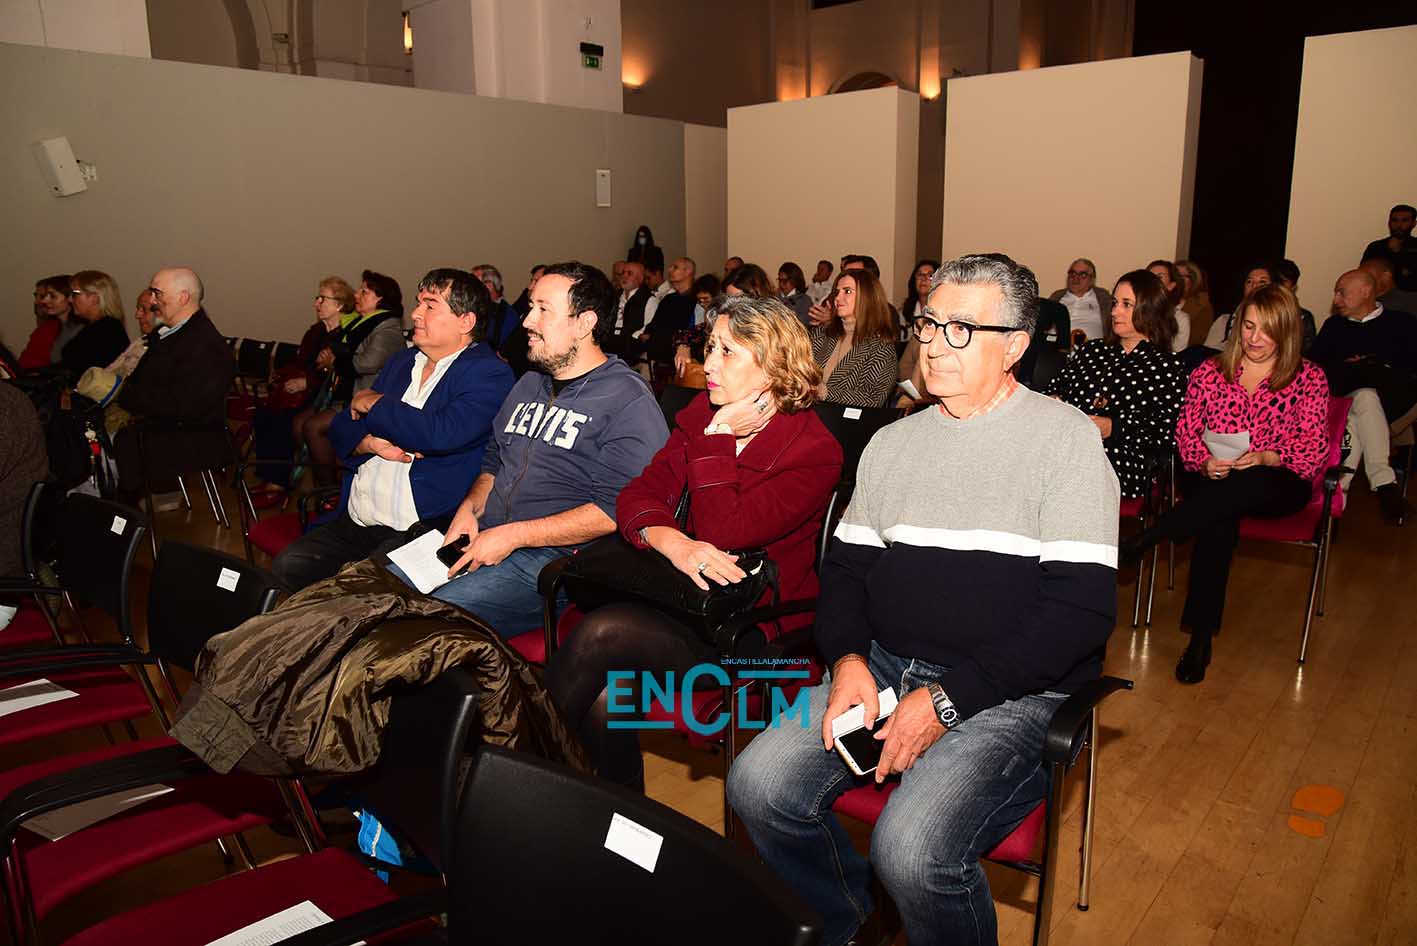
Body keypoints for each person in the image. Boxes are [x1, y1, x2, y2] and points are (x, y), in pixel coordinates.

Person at [728, 254, 1119, 946]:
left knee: (910, 850)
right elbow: (844, 573)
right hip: (884, 667)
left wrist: (946, 701)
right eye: (929, 323)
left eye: (960, 328)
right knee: (757, 786)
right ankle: (849, 921)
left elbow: (1079, 614)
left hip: (1013, 696)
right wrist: (848, 660)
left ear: (1016, 346)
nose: (934, 343)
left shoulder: (1065, 443)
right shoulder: (893, 441)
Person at [544, 295, 842, 790]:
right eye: (710, 347)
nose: (710, 364)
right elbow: (637, 496)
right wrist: (674, 544)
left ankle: (516, 773)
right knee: (602, 693)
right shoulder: (700, 412)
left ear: (772, 367)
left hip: (748, 626)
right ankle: (612, 812)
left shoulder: (812, 450)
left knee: (601, 636)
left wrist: (718, 436)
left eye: (727, 351)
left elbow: (726, 531)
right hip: (678, 596)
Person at [416, 262, 669, 635]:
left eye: (543, 310)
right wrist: (469, 509)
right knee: (378, 591)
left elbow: (617, 509)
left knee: (417, 619)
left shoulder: (627, 399)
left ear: (584, 323)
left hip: (558, 563)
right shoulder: (529, 383)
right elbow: (494, 462)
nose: (527, 321)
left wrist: (515, 535)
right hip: (487, 538)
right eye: (530, 307)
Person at [1124, 285, 1329, 683]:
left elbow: (1313, 447)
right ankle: (1200, 641)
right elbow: (1186, 433)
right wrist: (1205, 461)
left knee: (1238, 489)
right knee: (1219, 515)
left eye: (1266, 330)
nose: (1254, 338)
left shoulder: (1309, 378)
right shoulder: (1210, 371)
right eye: (1248, 326)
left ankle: (1152, 536)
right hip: (1212, 477)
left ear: (1286, 331)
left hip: (1276, 480)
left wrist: (1267, 457)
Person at [273, 269, 515, 591]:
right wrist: (368, 443)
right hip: (357, 520)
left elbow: (439, 433)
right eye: (418, 303)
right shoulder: (403, 362)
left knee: (356, 594)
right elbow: (342, 427)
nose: (415, 314)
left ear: (465, 322)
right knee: (288, 566)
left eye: (430, 306)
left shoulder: (489, 374)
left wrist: (374, 404)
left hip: (418, 530)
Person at [1047, 270, 1185, 497]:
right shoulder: (1092, 351)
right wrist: (1054, 401)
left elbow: (1165, 432)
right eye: (1114, 303)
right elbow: (1054, 390)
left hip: (1123, 461)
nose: (1114, 311)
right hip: (1069, 450)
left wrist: (1115, 427)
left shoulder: (1167, 366)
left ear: (1150, 309)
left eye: (1126, 304)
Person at [110, 267, 235, 496]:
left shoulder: (204, 344)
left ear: (183, 298)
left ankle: (120, 509)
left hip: (192, 437)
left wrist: (127, 396)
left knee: (120, 439)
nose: (152, 301)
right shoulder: (171, 335)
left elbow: (186, 405)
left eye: (157, 294)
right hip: (167, 425)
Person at [1309, 268, 1417, 523]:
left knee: (1363, 403)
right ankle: (1383, 483)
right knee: (1362, 403)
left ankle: (1332, 504)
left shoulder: (1403, 324)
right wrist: (1364, 368)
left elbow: (1408, 372)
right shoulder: (1334, 326)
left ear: (1366, 291)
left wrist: (1369, 368)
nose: (1336, 300)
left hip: (1391, 408)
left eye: (1341, 293)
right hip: (1344, 404)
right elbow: (1317, 371)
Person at [249, 277, 353, 496]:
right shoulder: (315, 332)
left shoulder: (347, 335)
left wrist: (307, 382)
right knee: (264, 414)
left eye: (322, 299)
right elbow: (302, 362)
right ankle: (269, 475)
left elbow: (341, 374)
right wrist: (283, 375)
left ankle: (279, 481)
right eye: (317, 298)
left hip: (325, 395)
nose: (317, 303)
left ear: (339, 305)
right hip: (303, 391)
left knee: (284, 420)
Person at [302, 269, 405, 485]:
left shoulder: (388, 327)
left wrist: (334, 361)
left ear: (380, 298)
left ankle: (329, 490)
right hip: (347, 394)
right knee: (300, 424)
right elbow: (342, 353)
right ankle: (326, 485)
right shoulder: (361, 323)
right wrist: (332, 357)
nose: (357, 295)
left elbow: (365, 363)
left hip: (368, 400)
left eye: (364, 292)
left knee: (313, 427)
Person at [809, 268, 898, 407]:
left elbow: (873, 398)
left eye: (847, 291)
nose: (837, 298)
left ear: (867, 297)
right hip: (810, 412)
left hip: (848, 418)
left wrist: (824, 392)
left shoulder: (881, 346)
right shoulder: (821, 334)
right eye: (837, 292)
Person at [60, 271, 130, 377]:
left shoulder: (106, 330)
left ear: (94, 298)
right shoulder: (101, 327)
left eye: (75, 294)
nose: (70, 300)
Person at [637, 256, 697, 369]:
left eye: (675, 267)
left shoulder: (696, 299)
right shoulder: (669, 299)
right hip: (660, 357)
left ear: (688, 271)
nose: (670, 270)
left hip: (683, 356)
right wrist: (648, 334)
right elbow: (654, 323)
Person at [1204, 262, 1278, 350]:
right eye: (1249, 281)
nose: (1254, 285)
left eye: (1262, 282)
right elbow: (1208, 351)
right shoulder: (1224, 321)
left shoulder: (1281, 320)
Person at [1048, 258, 1114, 344]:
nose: (1076, 278)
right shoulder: (1056, 297)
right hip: (1057, 347)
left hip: (1091, 347)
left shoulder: (1103, 299)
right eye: (1072, 273)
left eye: (1083, 274)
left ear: (1092, 279)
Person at [19, 275, 72, 371]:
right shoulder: (48, 327)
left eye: (52, 296)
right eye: (36, 296)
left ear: (70, 298)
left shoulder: (75, 330)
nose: (41, 301)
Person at [1360, 203, 1417, 292]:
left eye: (1404, 220)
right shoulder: (1376, 247)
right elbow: (1364, 275)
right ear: (1389, 222)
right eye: (1394, 220)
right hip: (1380, 296)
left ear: (1413, 223)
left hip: (1412, 296)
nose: (1399, 225)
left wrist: (1398, 253)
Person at [606, 260, 655, 359]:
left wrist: (635, 336)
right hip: (610, 342)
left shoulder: (649, 299)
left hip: (632, 346)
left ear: (640, 279)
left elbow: (650, 325)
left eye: (629, 273)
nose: (624, 276)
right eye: (623, 273)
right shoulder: (614, 297)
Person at [105, 289, 159, 378]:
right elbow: (109, 371)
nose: (137, 315)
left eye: (144, 309)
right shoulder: (140, 341)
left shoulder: (166, 350)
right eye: (138, 309)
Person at [472, 264, 521, 353]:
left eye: (474, 283)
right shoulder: (480, 308)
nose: (470, 288)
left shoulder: (507, 316)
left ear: (489, 286)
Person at [1146, 260, 1190, 354]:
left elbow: (1177, 355)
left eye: (1159, 277)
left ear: (1171, 285)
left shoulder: (1180, 319)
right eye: (1149, 276)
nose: (1152, 281)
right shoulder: (1132, 310)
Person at [1275, 260, 1319, 351]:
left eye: (1284, 282)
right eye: (1277, 281)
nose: (1279, 286)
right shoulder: (1258, 310)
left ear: (1293, 287)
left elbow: (1308, 351)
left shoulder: (1303, 317)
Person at [1177, 259, 1215, 346]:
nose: (1177, 280)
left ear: (1193, 280)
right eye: (1174, 276)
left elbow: (1197, 341)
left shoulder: (1203, 306)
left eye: (1180, 276)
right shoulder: (1165, 301)